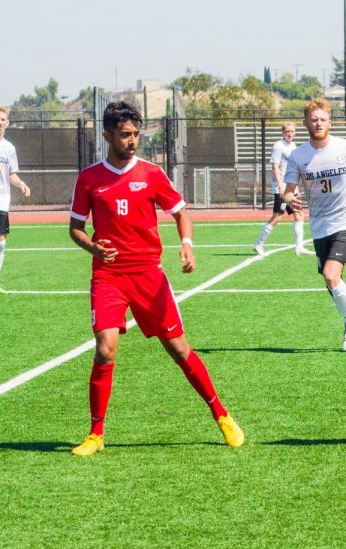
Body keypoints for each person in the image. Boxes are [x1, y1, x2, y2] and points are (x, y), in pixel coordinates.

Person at [68, 101, 244, 456]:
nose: (132, 141)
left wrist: (187, 245)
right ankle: (96, 435)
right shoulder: (89, 178)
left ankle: (221, 414)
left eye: (135, 134)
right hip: (108, 276)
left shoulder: (151, 174)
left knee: (179, 349)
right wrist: (93, 248)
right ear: (107, 136)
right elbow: (75, 229)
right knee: (105, 350)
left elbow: (181, 214)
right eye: (125, 135)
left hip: (149, 275)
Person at [283, 98, 346, 352]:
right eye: (313, 119)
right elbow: (287, 191)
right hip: (320, 225)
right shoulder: (298, 156)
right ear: (306, 123)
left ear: (330, 121)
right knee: (332, 282)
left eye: (323, 119)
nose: (318, 123)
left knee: (331, 275)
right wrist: (292, 199)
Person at [252, 122, 308, 256]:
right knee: (278, 217)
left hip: (291, 187)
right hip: (282, 188)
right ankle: (258, 244)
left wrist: (295, 187)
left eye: (292, 131)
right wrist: (281, 186)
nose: (290, 133)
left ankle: (299, 247)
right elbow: (275, 167)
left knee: (299, 214)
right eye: (287, 131)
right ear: (283, 133)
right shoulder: (278, 146)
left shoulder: (293, 146)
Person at [0, 107, 32, 294]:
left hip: (2, 201)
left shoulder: (9, 148)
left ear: (7, 123)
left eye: (2, 119)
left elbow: (11, 175)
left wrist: (22, 184)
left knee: (1, 242)